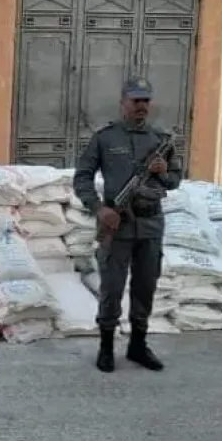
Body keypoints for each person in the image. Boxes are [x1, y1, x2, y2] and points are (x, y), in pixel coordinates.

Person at [72, 76, 182, 373]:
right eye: (136, 100)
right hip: (117, 225)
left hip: (150, 224)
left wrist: (163, 172)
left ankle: (138, 345)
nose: (141, 106)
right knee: (112, 287)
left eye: (146, 100)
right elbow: (82, 178)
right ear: (123, 102)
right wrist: (99, 209)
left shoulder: (159, 140)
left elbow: (175, 180)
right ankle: (107, 346)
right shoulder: (105, 138)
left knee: (145, 286)